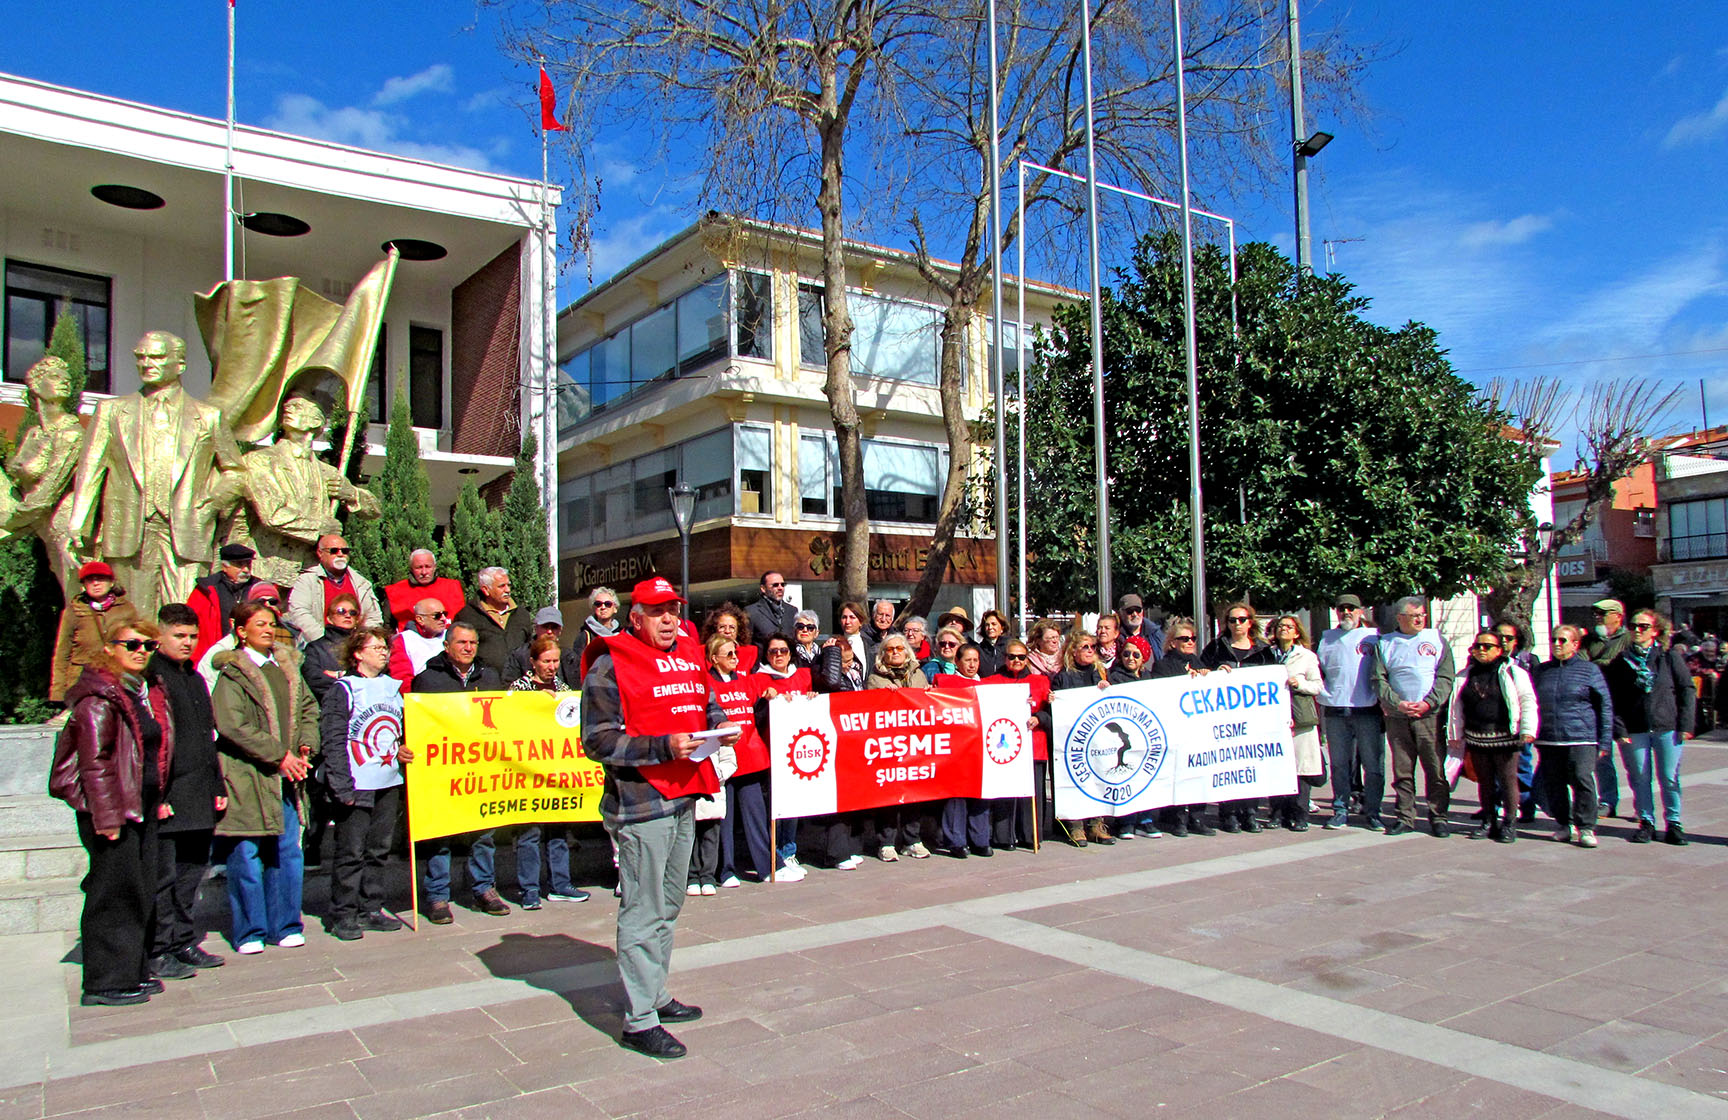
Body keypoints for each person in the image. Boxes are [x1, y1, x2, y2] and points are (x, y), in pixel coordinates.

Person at [581, 575, 738, 1060]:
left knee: (669, 904)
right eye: (657, 611)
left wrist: (720, 727)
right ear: (635, 617)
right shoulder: (610, 663)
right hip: (640, 803)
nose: (669, 618)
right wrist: (663, 746)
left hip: (685, 795)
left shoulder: (689, 653)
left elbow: (706, 705)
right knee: (643, 909)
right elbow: (597, 741)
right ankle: (639, 1020)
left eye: (673, 609)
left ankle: (654, 993)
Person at [67, 331, 242, 614]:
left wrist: (210, 505)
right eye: (141, 356)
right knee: (132, 619)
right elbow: (91, 468)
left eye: (157, 356)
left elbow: (235, 471)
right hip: (129, 529)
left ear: (180, 365)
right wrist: (78, 524)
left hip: (187, 531)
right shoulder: (111, 411)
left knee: (187, 616)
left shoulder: (209, 416)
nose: (146, 362)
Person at [49, 619, 174, 1005]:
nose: (140, 651)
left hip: (142, 806)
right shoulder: (100, 698)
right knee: (113, 894)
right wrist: (107, 819)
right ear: (109, 648)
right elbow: (96, 764)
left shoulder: (138, 692)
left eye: (148, 646)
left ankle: (131, 970)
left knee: (137, 890)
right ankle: (105, 982)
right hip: (113, 812)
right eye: (131, 644)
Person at [211, 600, 319, 954]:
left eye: (271, 623)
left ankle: (286, 924)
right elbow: (232, 724)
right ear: (240, 631)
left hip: (287, 778)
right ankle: (249, 930)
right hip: (248, 777)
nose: (268, 630)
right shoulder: (234, 673)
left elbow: (307, 708)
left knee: (287, 853)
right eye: (259, 624)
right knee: (246, 854)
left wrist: (305, 744)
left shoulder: (287, 667)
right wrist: (279, 755)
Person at [145, 604, 226, 977]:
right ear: (160, 635)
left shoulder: (194, 678)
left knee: (192, 873)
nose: (187, 643)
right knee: (164, 878)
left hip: (199, 793)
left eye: (192, 636)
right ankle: (158, 950)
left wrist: (217, 783)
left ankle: (182, 941)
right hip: (168, 797)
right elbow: (155, 744)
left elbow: (205, 738)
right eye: (179, 636)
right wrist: (157, 796)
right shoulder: (153, 679)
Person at [413, 623, 509, 922]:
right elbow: (416, 726)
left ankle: (483, 889)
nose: (468, 648)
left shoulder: (490, 677)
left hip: (482, 772)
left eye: (473, 642)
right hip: (444, 772)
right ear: (447, 646)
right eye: (461, 643)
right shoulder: (427, 681)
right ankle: (437, 896)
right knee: (441, 834)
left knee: (484, 833)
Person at [234, 395, 381, 584]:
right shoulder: (261, 461)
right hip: (268, 572)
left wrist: (352, 494)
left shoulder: (326, 471)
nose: (288, 408)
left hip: (311, 574)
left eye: (298, 407)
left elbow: (374, 511)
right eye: (288, 406)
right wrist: (320, 527)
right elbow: (273, 515)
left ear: (316, 420)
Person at [319, 627, 408, 940]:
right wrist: (340, 784)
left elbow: (392, 732)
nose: (383, 652)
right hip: (356, 782)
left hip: (387, 780)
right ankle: (343, 913)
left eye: (385, 647)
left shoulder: (391, 687)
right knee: (351, 851)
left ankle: (371, 907)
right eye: (376, 647)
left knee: (378, 849)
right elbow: (333, 738)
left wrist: (400, 749)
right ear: (358, 653)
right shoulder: (343, 689)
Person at [509, 635, 590, 907]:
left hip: (556, 773)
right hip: (527, 773)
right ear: (533, 662)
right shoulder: (518, 688)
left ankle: (561, 884)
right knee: (529, 834)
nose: (552, 666)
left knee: (558, 831)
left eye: (555, 661)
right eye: (546, 661)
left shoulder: (563, 687)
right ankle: (529, 889)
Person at [1603, 609, 1695, 845]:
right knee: (1640, 777)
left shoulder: (1667, 657)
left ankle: (1674, 822)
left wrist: (1685, 724)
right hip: (1636, 729)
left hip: (1667, 727)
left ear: (1655, 631)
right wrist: (1619, 730)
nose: (1637, 630)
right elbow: (1613, 699)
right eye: (1634, 625)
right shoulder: (1621, 661)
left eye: (1643, 626)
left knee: (1669, 777)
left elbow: (1686, 689)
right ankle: (1646, 822)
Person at [1371, 596, 1457, 838]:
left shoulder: (1436, 639)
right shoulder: (1385, 643)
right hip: (1398, 716)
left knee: (1435, 768)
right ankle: (1405, 817)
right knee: (1403, 770)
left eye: (1422, 615)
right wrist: (1398, 703)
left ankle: (1438, 816)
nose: (1419, 619)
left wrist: (1428, 702)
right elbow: (1379, 678)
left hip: (1429, 715)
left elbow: (1445, 676)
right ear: (1400, 618)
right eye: (1413, 616)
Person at [1446, 630, 1537, 844]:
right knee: (1485, 782)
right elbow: (1456, 708)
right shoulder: (1465, 675)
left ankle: (1509, 823)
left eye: (1487, 646)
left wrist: (1527, 730)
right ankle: (1488, 820)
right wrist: (1455, 734)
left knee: (1507, 780)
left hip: (1506, 737)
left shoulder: (1513, 672)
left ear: (1499, 649)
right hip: (1477, 736)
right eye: (1478, 646)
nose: (1481, 650)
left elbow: (1527, 701)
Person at [1534, 625, 1613, 848]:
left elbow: (1604, 705)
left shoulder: (1589, 670)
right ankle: (1563, 824)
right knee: (1554, 784)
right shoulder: (1542, 670)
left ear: (1575, 644)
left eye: (1562, 640)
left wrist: (1605, 739)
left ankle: (1586, 827)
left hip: (1581, 736)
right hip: (1549, 737)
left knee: (1582, 779)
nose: (1556, 644)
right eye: (1554, 640)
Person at [1202, 602, 1276, 833]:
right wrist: (1213, 674)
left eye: (1241, 619)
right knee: (1228, 766)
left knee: (1250, 765)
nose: (1237, 624)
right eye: (1232, 620)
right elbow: (1201, 673)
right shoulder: (1216, 648)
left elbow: (1273, 683)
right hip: (1224, 720)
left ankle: (1250, 813)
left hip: (1254, 720)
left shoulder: (1263, 650)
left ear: (1250, 622)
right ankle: (1229, 813)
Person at [1316, 595, 1384, 831]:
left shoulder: (1374, 637)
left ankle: (1373, 811)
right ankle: (1340, 810)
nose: (1346, 612)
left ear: (1361, 611)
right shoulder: (1327, 639)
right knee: (1339, 765)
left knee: (1373, 765)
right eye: (1342, 608)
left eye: (1351, 609)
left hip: (1367, 710)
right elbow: (1319, 672)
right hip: (1335, 710)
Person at [864, 635, 933, 860]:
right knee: (888, 795)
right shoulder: (875, 677)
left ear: (907, 652)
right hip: (888, 746)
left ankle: (912, 839)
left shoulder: (919, 675)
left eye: (899, 648)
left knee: (914, 794)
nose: (895, 652)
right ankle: (886, 842)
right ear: (883, 653)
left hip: (915, 745)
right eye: (890, 649)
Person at [984, 639, 1053, 849]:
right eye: (1012, 656)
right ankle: (1003, 836)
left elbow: (1050, 713)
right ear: (1005, 658)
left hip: (1034, 744)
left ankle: (1030, 835)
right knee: (1005, 792)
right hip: (1003, 746)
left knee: (1032, 793)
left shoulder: (1040, 681)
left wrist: (1039, 717)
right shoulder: (991, 681)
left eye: (1021, 657)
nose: (1016, 660)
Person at [1150, 619, 1216, 837]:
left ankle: (1197, 817)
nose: (1189, 642)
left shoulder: (1199, 662)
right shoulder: (1163, 665)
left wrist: (1216, 676)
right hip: (1175, 729)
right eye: (1184, 639)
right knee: (1178, 774)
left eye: (1193, 639)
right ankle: (1177, 818)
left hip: (1198, 731)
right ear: (1172, 642)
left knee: (1199, 774)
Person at [1050, 629, 1114, 847]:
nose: (1090, 651)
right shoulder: (1063, 677)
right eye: (1085, 647)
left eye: (1093, 647)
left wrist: (1107, 690)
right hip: (1072, 740)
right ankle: (1075, 825)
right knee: (1075, 779)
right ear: (1073, 651)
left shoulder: (1100, 674)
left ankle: (1096, 823)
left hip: (1097, 739)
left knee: (1098, 776)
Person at [51, 560, 141, 703]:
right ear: (83, 585)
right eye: (90, 580)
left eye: (101, 579)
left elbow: (138, 645)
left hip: (117, 677)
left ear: (111, 583)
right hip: (82, 680)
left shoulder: (126, 609)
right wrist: (58, 693)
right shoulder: (74, 611)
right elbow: (63, 653)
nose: (95, 583)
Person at [1269, 615, 1324, 831]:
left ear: (1297, 632)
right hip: (1274, 718)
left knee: (1301, 768)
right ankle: (1277, 813)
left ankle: (1300, 815)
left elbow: (1317, 686)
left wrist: (1299, 683)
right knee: (1276, 766)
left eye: (1289, 627)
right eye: (1281, 626)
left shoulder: (1306, 657)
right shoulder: (1267, 654)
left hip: (1300, 719)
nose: (1284, 629)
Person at [285, 534, 384, 642]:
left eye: (345, 551)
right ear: (320, 553)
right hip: (318, 645)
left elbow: (373, 617)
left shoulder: (362, 583)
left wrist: (361, 642)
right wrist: (322, 640)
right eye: (334, 551)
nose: (340, 554)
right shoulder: (307, 580)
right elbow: (299, 612)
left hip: (354, 647)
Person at [1494, 619, 1542, 824]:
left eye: (1509, 638)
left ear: (1517, 641)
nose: (1504, 642)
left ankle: (1526, 805)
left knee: (1521, 766)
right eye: (1500, 637)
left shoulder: (1528, 661)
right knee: (1493, 769)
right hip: (1492, 724)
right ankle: (1493, 806)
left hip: (1518, 724)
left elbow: (1534, 696)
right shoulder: (1483, 659)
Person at [1586, 597, 1631, 817]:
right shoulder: (1590, 640)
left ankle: (1643, 804)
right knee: (1602, 756)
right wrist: (1607, 663)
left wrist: (1603, 664)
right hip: (1597, 704)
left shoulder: (1629, 639)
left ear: (1617, 616)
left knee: (1634, 759)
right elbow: (1583, 665)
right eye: (1597, 614)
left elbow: (1627, 666)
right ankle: (1608, 800)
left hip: (1624, 706)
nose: (1598, 618)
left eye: (1603, 614)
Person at [196, 583, 287, 688]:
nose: (267, 606)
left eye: (273, 602)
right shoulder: (222, 655)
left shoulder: (286, 654)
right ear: (241, 629)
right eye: (260, 602)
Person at [454, 566, 534, 677]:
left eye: (508, 585)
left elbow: (529, 645)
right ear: (486, 590)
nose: (507, 590)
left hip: (518, 684)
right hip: (484, 683)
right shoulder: (467, 616)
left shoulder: (521, 614)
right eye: (502, 586)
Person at [186, 543, 260, 662]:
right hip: (214, 654)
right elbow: (189, 623)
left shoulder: (259, 588)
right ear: (225, 566)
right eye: (240, 565)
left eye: (248, 564)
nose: (246, 570)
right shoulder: (206, 589)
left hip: (252, 655)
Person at [381, 548, 465, 631]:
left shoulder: (452, 587)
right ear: (411, 569)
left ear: (435, 567)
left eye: (428, 567)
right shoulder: (396, 591)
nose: (424, 572)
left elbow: (463, 619)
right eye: (418, 567)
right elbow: (388, 626)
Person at [300, 593, 362, 705]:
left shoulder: (365, 646)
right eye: (341, 611)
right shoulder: (315, 648)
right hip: (330, 707)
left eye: (353, 613)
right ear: (329, 618)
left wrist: (339, 675)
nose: (347, 615)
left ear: (357, 619)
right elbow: (315, 680)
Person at [504, 606, 580, 686]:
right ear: (536, 628)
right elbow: (509, 690)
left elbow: (577, 690)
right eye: (545, 626)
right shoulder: (519, 656)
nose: (549, 631)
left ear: (560, 630)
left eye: (554, 627)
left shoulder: (570, 657)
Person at [388, 596, 453, 690]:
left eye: (445, 614)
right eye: (437, 615)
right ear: (420, 619)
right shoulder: (403, 639)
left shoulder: (451, 635)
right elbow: (401, 677)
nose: (443, 618)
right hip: (420, 694)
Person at [745, 570, 798, 654]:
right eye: (775, 585)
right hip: (762, 664)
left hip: (787, 664)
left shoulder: (792, 611)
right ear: (763, 588)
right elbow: (746, 645)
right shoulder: (751, 612)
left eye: (783, 585)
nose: (780, 588)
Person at [701, 603, 758, 673]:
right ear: (714, 629)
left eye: (732, 627)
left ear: (738, 631)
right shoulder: (702, 652)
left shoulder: (750, 653)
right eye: (722, 627)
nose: (727, 631)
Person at [570, 586, 622, 662]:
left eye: (608, 604)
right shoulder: (585, 636)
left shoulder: (622, 635)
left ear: (615, 608)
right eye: (598, 604)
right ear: (594, 608)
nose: (603, 607)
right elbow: (578, 667)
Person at [1118, 593, 1165, 662]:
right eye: (1130, 611)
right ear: (1121, 613)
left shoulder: (1155, 633)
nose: (1135, 614)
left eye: (1138, 610)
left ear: (1142, 611)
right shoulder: (1116, 635)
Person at [835, 600, 874, 670]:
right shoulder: (834, 644)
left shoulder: (870, 646)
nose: (847, 622)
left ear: (861, 621)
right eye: (844, 617)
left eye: (852, 617)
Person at [976, 609, 1010, 677]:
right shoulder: (978, 649)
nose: (990, 627)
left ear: (1002, 628)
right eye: (987, 625)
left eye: (994, 624)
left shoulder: (1010, 647)